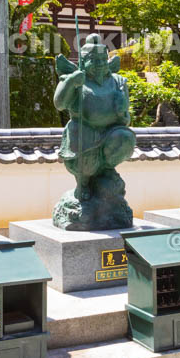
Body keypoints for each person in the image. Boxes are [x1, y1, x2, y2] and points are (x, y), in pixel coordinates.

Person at [52, 34, 136, 230]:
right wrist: (71, 82)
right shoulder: (76, 79)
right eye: (93, 60)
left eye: (102, 60)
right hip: (84, 132)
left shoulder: (118, 82)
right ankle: (83, 183)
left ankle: (107, 169)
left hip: (110, 133)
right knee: (79, 142)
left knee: (125, 137)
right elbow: (60, 103)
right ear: (83, 61)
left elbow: (125, 120)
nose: (99, 64)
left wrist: (121, 107)